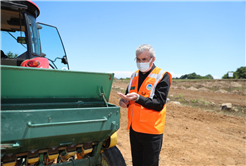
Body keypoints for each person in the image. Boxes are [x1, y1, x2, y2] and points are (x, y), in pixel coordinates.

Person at [117, 44, 172, 166]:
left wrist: (138, 98)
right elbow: (128, 95)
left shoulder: (162, 76)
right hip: (135, 130)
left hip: (151, 131)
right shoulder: (134, 75)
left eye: (144, 59)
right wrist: (123, 102)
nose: (140, 62)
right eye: (138, 59)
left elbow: (159, 104)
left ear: (153, 59)